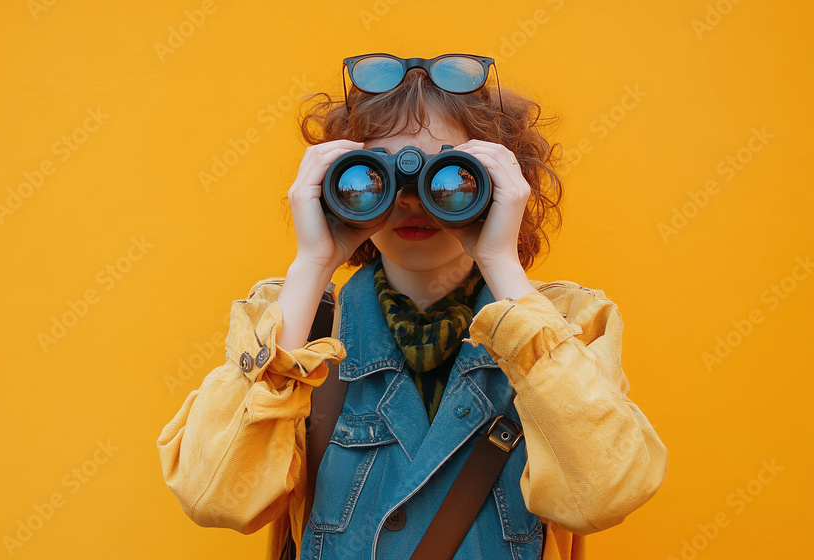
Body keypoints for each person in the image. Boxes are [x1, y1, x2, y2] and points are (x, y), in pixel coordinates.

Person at [157, 53, 668, 560]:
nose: (412, 200)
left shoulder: (565, 329)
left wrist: (500, 262)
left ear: (504, 184)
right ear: (332, 183)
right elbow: (216, 497)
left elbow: (605, 495)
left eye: (451, 175)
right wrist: (311, 264)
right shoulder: (302, 331)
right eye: (372, 176)